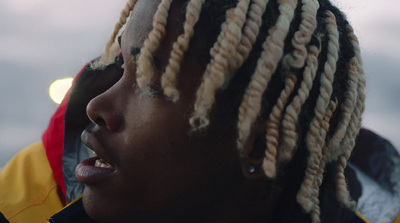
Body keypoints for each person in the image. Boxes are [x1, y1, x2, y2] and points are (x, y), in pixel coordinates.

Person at [1, 0, 399, 222]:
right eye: (121, 67)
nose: (97, 106)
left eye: (152, 84)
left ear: (258, 146)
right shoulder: (21, 206)